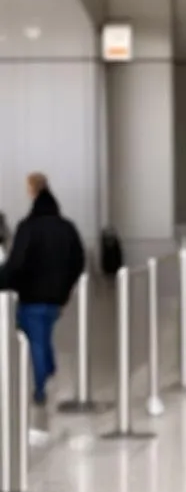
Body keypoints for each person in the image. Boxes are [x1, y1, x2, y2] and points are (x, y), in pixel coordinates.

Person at [0, 173, 85, 406]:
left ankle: (40, 388)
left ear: (32, 192)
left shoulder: (28, 227)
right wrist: (65, 288)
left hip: (32, 296)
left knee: (35, 338)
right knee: (43, 336)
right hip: (56, 298)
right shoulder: (66, 228)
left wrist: (3, 281)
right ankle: (49, 370)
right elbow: (78, 260)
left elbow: (16, 263)